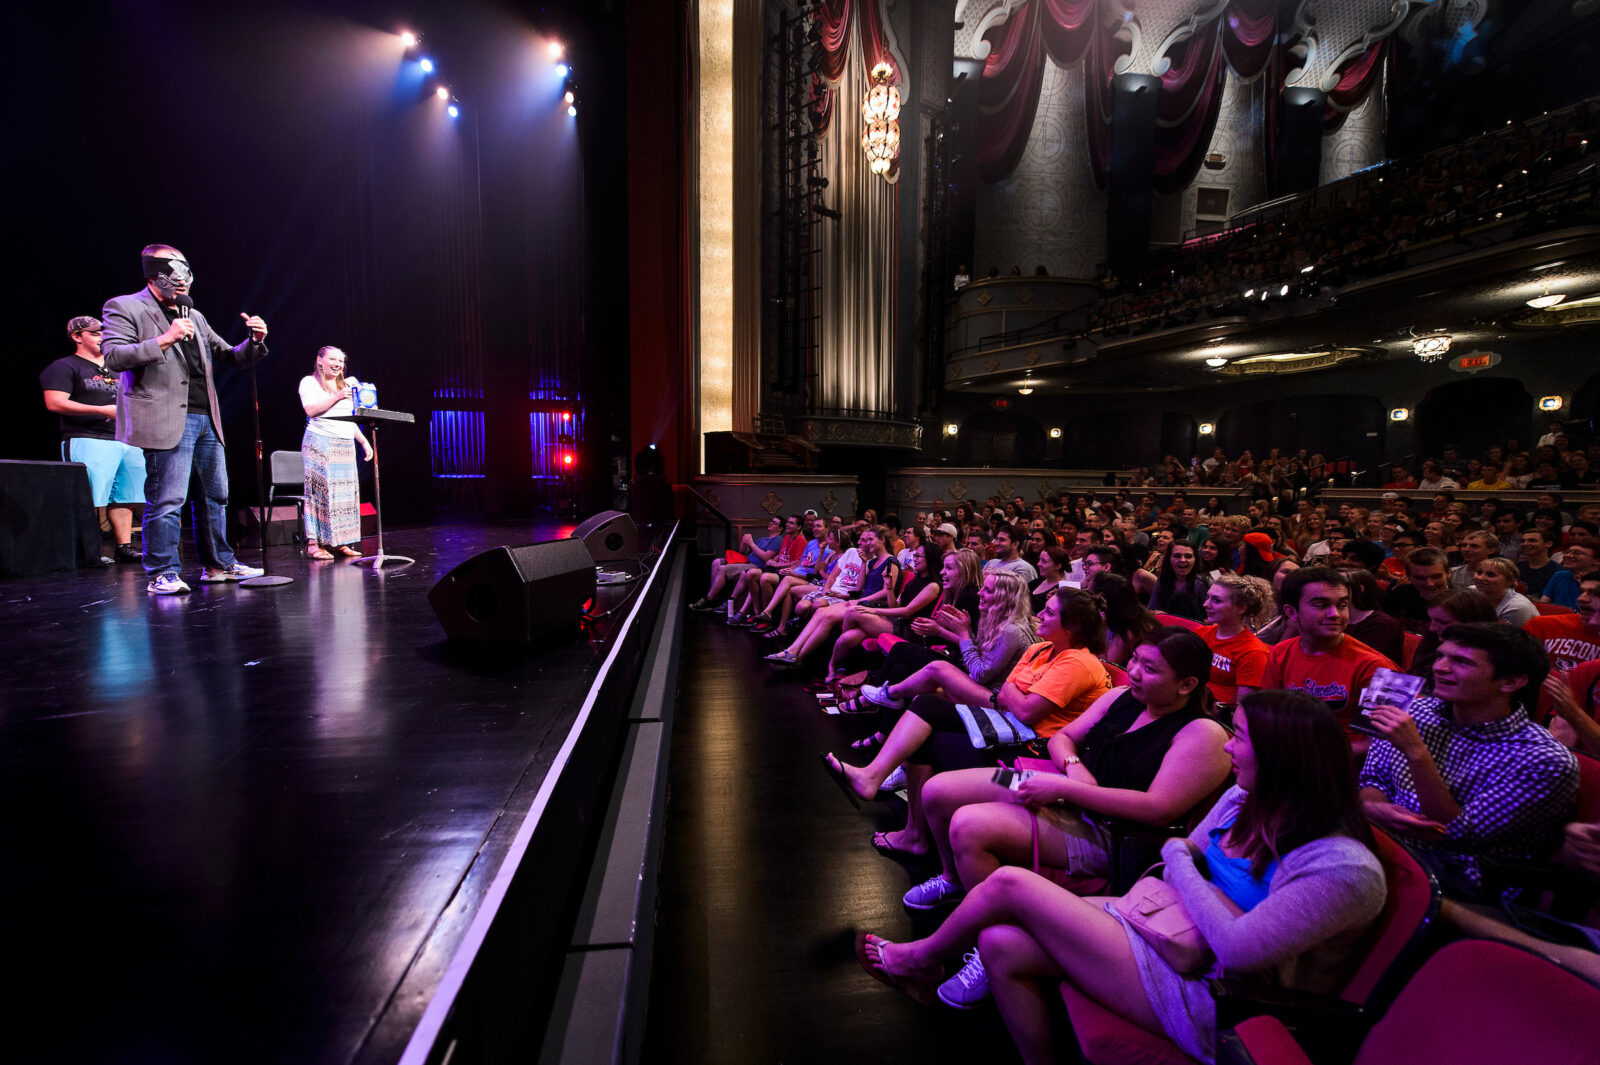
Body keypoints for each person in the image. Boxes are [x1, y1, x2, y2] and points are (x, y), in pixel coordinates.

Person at [858, 690, 1385, 1065]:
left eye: (1241, 740)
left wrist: (1178, 861)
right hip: (1166, 929)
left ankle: (920, 959)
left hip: (1223, 996)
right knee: (999, 943)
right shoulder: (1245, 799)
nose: (1228, 749)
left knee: (1009, 886)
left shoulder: (1341, 866)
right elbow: (1183, 860)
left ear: (1283, 758)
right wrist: (1173, 869)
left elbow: (1238, 947)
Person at [1360, 623, 1578, 896]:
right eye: (1441, 656)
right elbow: (1373, 779)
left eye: (1461, 662)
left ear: (1510, 682)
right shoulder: (1417, 710)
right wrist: (1373, 809)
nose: (1440, 668)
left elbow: (1454, 834)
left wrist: (1416, 752)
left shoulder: (1544, 760)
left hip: (1462, 881)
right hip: (1385, 843)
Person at [101, 244, 268, 594]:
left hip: (206, 418)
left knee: (216, 497)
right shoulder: (125, 306)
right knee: (168, 499)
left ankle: (218, 565)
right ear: (152, 275)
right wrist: (164, 339)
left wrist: (254, 341)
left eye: (185, 277)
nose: (182, 284)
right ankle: (161, 573)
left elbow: (230, 356)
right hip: (164, 417)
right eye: (173, 276)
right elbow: (113, 357)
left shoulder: (196, 315)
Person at [39, 315, 144, 563]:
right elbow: (54, 403)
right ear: (77, 336)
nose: (102, 337)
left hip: (125, 438)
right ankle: (88, 550)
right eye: (95, 333)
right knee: (90, 497)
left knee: (124, 495)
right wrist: (100, 410)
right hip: (88, 437)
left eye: (104, 332)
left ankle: (124, 545)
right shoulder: (65, 366)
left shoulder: (118, 367)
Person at [1260, 567, 1395, 729]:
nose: (1335, 614)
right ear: (1291, 612)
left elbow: (1380, 742)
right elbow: (1268, 711)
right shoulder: (1281, 652)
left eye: (1342, 605)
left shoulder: (1377, 668)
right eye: (1321, 605)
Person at [297, 346, 372, 559]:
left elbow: (349, 419)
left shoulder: (348, 384)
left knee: (344, 494)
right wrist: (338, 396)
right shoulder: (309, 382)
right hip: (320, 441)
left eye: (341, 360)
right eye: (332, 359)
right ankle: (313, 544)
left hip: (345, 444)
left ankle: (339, 542)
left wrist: (364, 442)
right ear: (320, 361)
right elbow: (311, 411)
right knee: (320, 493)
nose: (338, 364)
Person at [1473, 556, 1538, 626]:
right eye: (1479, 572)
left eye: (1491, 575)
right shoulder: (1471, 591)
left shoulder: (1517, 607)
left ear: (1510, 581)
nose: (1481, 578)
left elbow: (1504, 635)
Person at [1542, 543, 1596, 609]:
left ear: (1596, 560)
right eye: (1567, 552)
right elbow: (1543, 606)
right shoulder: (1559, 576)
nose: (1568, 555)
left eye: (1577, 553)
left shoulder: (1597, 583)